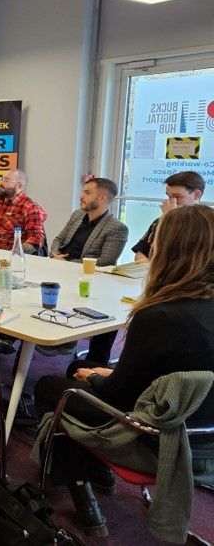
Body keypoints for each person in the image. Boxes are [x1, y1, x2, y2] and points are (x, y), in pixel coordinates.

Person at [33, 205, 214, 537]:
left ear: (170, 251)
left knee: (49, 386)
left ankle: (82, 485)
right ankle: (96, 467)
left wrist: (98, 377)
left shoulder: (160, 316)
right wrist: (96, 373)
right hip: (205, 433)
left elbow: (119, 397)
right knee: (78, 366)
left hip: (156, 435)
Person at [38, 177, 129, 359]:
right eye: (82, 192)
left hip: (86, 277)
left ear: (102, 198)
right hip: (59, 267)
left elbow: (105, 261)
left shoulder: (117, 228)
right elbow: (58, 240)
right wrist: (55, 255)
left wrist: (67, 264)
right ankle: (12, 337)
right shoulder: (78, 215)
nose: (81, 196)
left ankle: (65, 340)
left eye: (87, 193)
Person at [0, 169, 47, 355]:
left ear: (19, 186)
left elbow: (35, 240)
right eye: (2, 178)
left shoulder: (30, 207)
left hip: (7, 259)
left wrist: (14, 254)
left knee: (0, 293)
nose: (1, 182)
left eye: (7, 180)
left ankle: (6, 337)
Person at [132, 170, 205, 261]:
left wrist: (172, 220)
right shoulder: (160, 220)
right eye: (169, 196)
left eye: (177, 196)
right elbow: (140, 253)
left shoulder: (207, 223)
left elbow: (185, 258)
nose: (171, 201)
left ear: (196, 195)